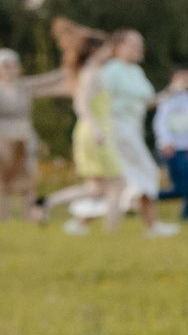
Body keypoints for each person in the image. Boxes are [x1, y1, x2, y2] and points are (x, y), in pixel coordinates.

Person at [69, 29, 173, 237]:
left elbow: (146, 102)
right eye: (133, 44)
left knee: (121, 182)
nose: (138, 49)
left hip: (133, 129)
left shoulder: (136, 72)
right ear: (119, 47)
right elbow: (93, 100)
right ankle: (150, 226)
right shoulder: (111, 70)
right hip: (116, 129)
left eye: (140, 44)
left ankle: (81, 220)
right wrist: (96, 128)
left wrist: (171, 92)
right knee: (143, 173)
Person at [0, 48, 66, 222]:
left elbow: (47, 82)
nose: (10, 69)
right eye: (5, 65)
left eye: (13, 65)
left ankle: (30, 218)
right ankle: (2, 220)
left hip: (23, 138)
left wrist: (72, 69)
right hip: (0, 139)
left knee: (28, 182)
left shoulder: (23, 86)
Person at [153, 67, 188, 222]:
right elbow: (161, 122)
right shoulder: (170, 97)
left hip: (185, 147)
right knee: (180, 189)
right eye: (184, 78)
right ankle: (143, 197)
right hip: (172, 148)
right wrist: (166, 142)